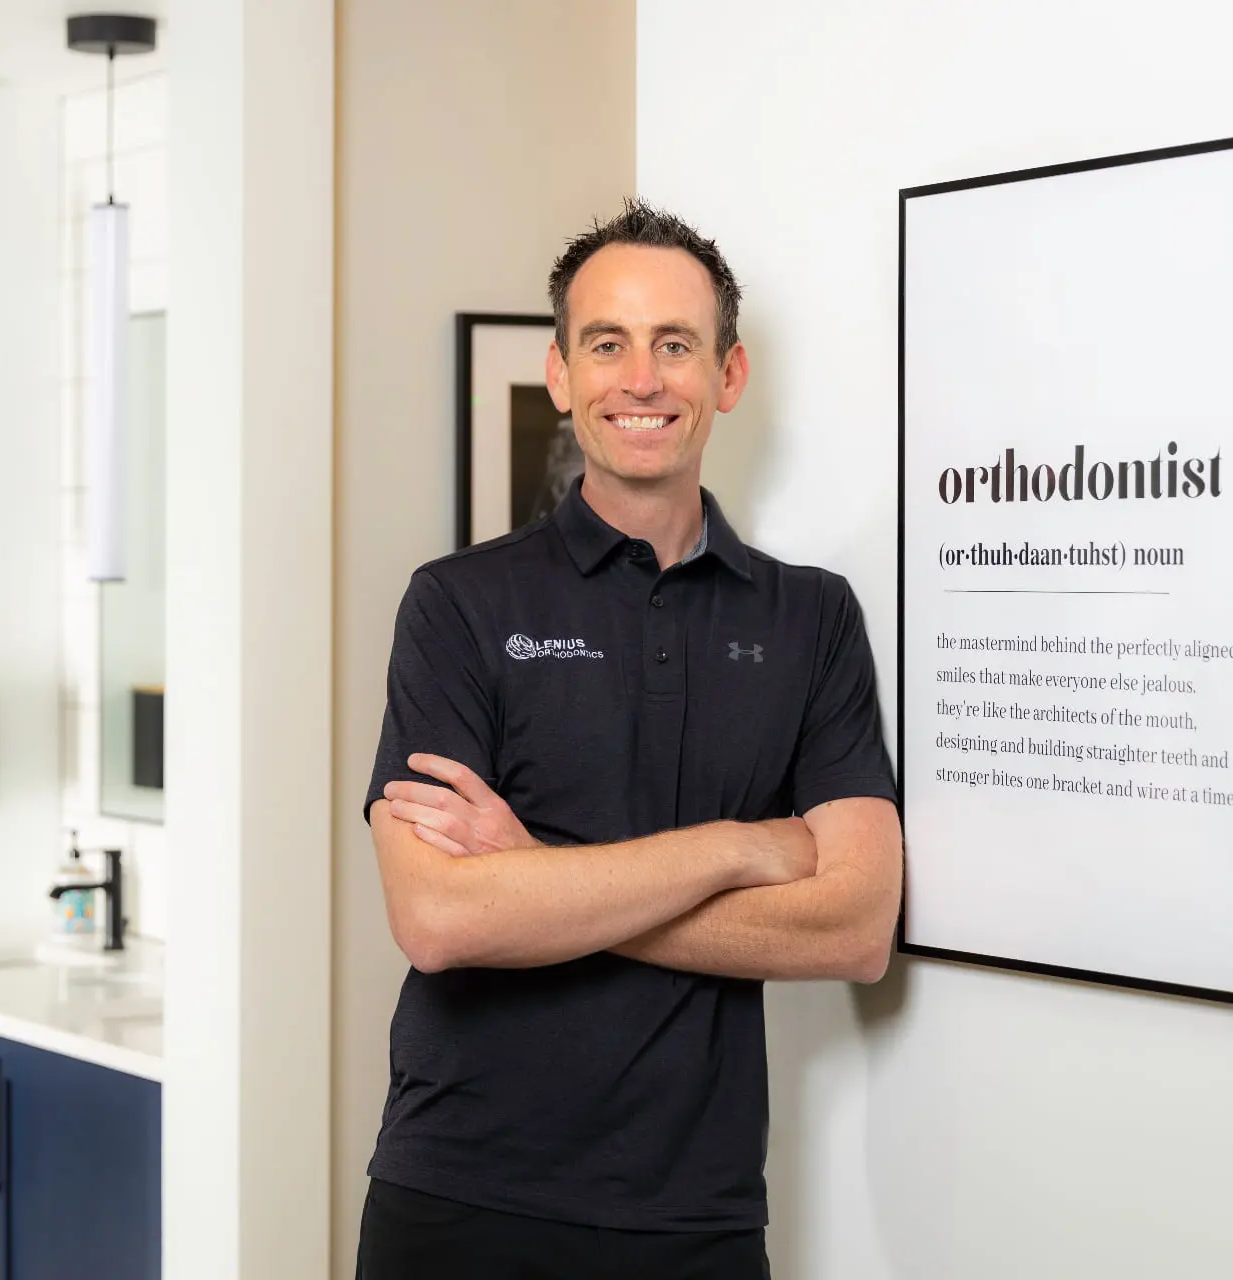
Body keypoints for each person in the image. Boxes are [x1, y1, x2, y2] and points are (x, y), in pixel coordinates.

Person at [358, 200, 903, 1279]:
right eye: (607, 344)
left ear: (729, 375)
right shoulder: (457, 604)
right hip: (459, 1194)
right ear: (562, 373)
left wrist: (539, 878)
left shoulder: (813, 616)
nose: (641, 379)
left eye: (675, 346)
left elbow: (853, 927)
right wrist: (742, 847)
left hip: (694, 1215)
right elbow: (439, 915)